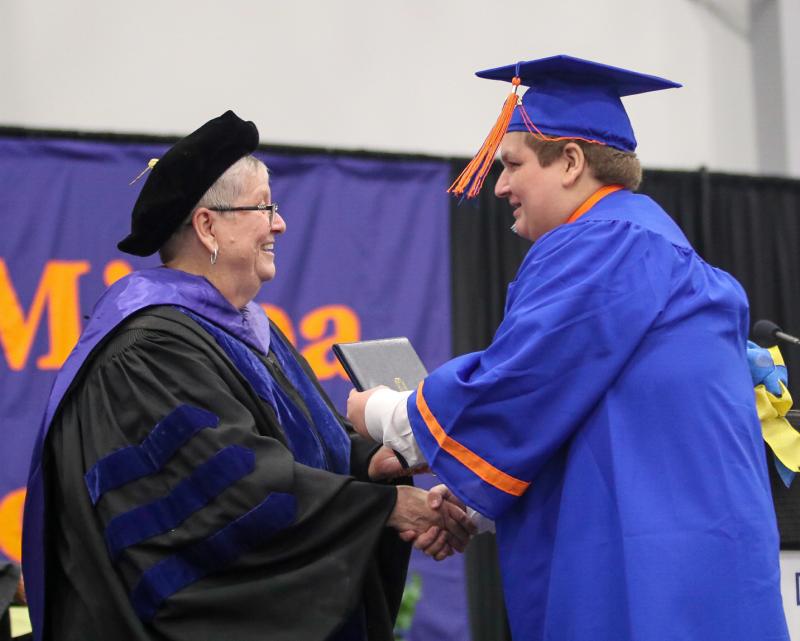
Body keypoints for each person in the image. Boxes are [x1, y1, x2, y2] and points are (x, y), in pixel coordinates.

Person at [347, 55, 790, 641]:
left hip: (657, 577)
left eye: (513, 164)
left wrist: (381, 413)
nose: (500, 185)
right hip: (693, 561)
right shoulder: (646, 242)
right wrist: (470, 508)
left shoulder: (607, 244)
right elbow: (582, 420)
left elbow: (514, 388)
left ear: (572, 162)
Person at [22, 111, 472, 641]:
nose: (279, 223)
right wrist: (385, 509)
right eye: (264, 206)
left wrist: (370, 463)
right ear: (208, 225)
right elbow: (230, 495)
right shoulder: (147, 352)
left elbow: (300, 451)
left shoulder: (252, 332)